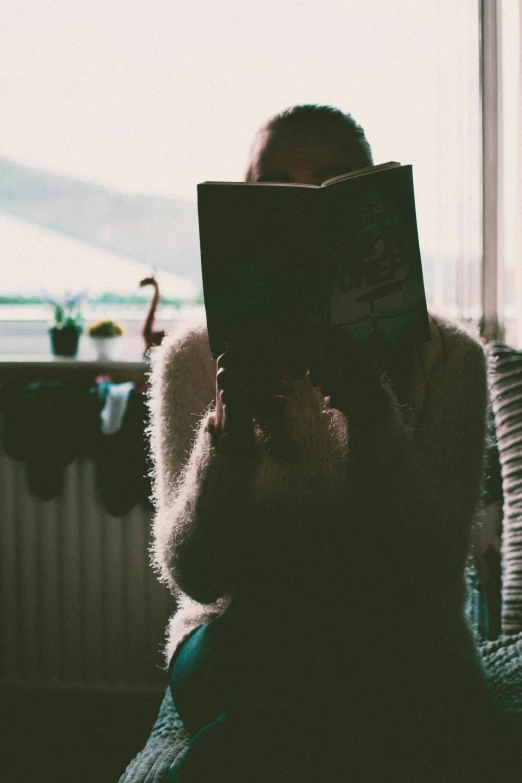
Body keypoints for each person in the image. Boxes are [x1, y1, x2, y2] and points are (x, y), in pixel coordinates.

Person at [147, 105, 494, 782]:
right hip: (238, 637)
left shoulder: (451, 358)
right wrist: (227, 436)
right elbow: (198, 574)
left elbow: (429, 567)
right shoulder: (192, 357)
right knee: (290, 634)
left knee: (355, 656)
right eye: (275, 189)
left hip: (393, 639)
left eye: (330, 184)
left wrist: (370, 414)